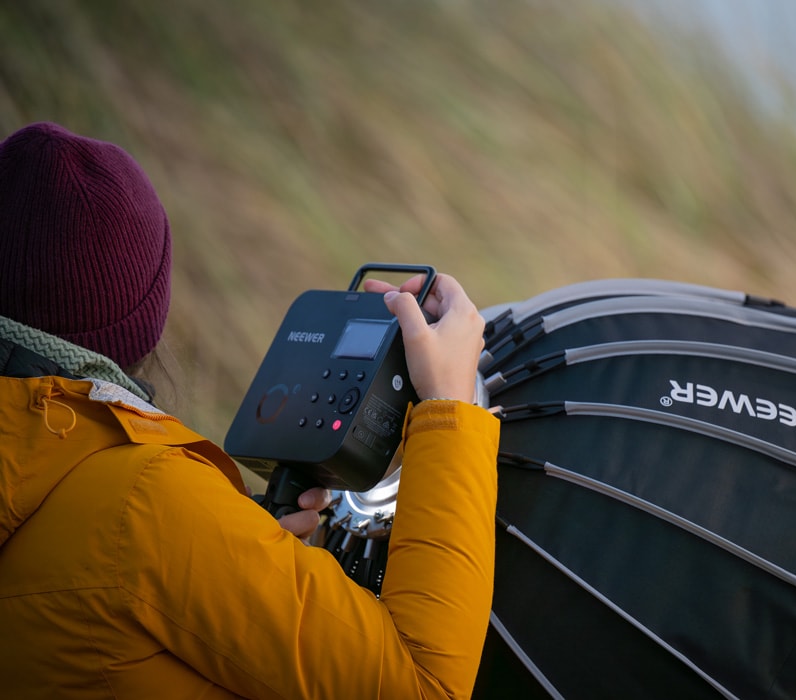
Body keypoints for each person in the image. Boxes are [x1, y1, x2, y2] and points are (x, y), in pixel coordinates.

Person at [0, 121, 499, 698]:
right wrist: (447, 405)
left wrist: (232, 549)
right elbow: (423, 685)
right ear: (141, 316)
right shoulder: (144, 505)